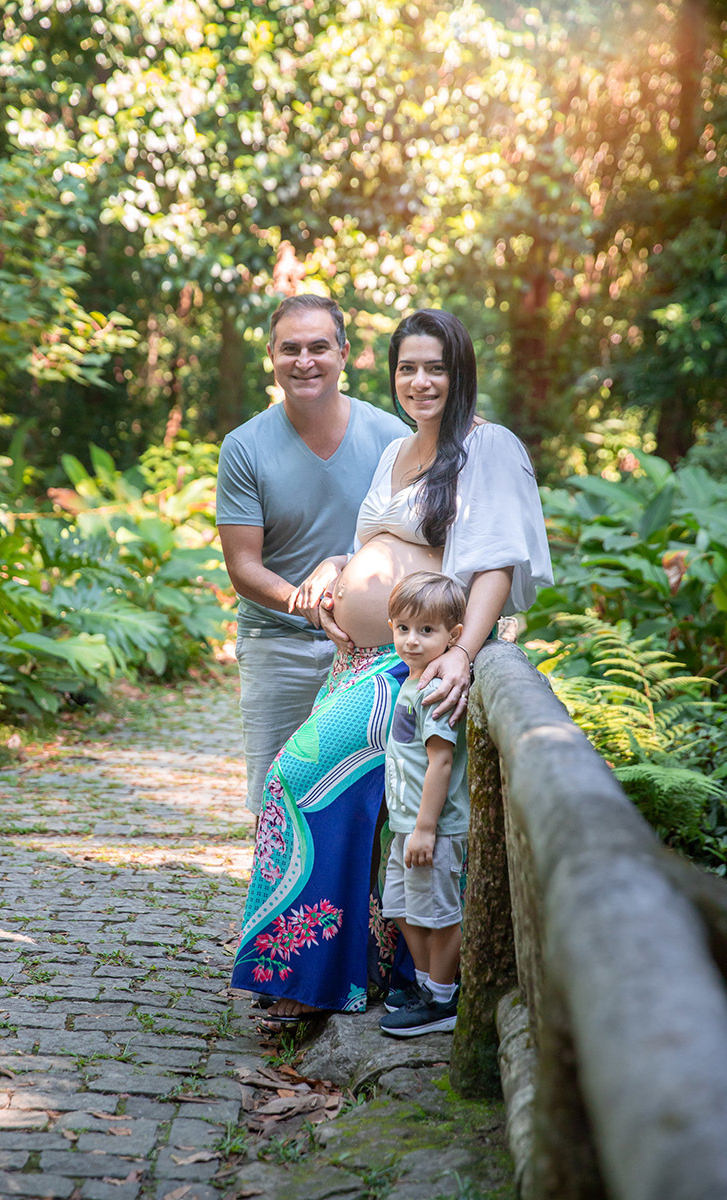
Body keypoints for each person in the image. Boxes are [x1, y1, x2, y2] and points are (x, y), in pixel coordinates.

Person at [230, 308, 553, 1028]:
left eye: (435, 366)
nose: (421, 380)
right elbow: (370, 544)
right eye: (408, 367)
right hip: (359, 660)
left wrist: (463, 654)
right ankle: (355, 979)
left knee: (295, 783)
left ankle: (302, 974)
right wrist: (331, 565)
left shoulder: (484, 446)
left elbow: (494, 564)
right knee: (362, 812)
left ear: (459, 370)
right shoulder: (397, 451)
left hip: (411, 668)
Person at [216, 295, 408, 819]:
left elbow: (416, 540)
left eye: (319, 347)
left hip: (376, 649)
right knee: (277, 797)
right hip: (278, 642)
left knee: (375, 801)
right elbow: (244, 567)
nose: (305, 361)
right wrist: (310, 606)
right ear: (273, 358)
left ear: (344, 354)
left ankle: (360, 905)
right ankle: (281, 899)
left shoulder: (393, 438)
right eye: (291, 349)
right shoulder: (244, 446)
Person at [378, 571, 469, 1038]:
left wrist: (425, 829)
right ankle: (423, 985)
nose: (412, 641)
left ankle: (442, 998)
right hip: (407, 822)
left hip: (431, 826)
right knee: (399, 903)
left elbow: (441, 761)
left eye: (427, 631)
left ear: (454, 637)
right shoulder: (412, 681)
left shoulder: (435, 691)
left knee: (438, 911)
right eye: (403, 628)